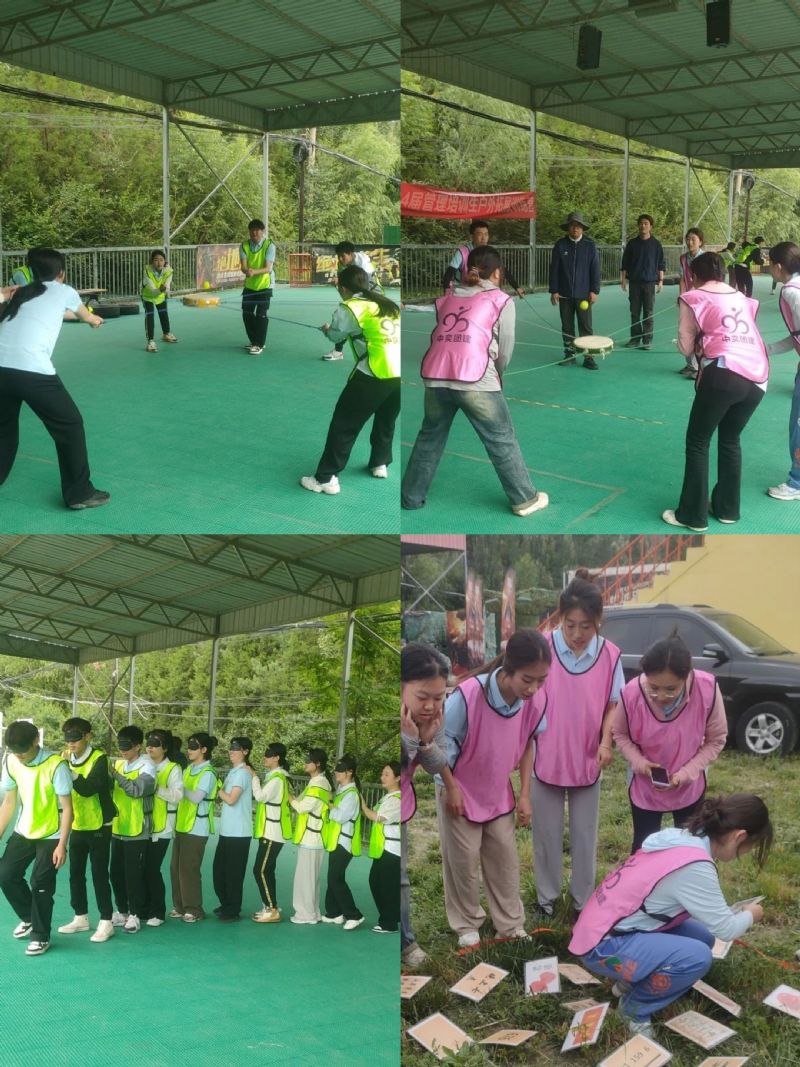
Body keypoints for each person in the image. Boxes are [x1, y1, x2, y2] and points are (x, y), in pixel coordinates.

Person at [569, 794, 771, 1039]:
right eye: (750, 848)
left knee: (703, 937)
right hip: (602, 947)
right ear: (739, 837)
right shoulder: (696, 866)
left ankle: (629, 982)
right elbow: (727, 930)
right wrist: (751, 914)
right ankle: (634, 1009)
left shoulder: (681, 838)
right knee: (697, 957)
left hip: (601, 928)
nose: (745, 854)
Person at [401, 245, 549, 517]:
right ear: (497, 273)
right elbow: (505, 349)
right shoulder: (501, 300)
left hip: (435, 376)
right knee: (501, 439)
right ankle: (524, 499)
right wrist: (497, 373)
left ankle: (411, 496)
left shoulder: (449, 297)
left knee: (429, 436)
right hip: (475, 378)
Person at [436, 630, 550, 947]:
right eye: (527, 679)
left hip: (498, 790)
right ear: (508, 668)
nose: (534, 688)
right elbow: (441, 748)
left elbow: (527, 743)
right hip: (458, 786)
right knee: (463, 860)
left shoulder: (534, 701)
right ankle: (466, 923)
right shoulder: (468, 696)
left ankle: (510, 925)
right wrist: (451, 790)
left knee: (504, 859)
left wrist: (525, 794)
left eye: (541, 680)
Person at [531, 571, 624, 919]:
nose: (577, 634)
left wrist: (606, 742)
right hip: (547, 756)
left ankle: (583, 901)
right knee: (546, 836)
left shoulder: (610, 655)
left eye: (585, 626)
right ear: (560, 619)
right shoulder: (543, 647)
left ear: (598, 621)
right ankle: (546, 900)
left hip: (587, 759)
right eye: (570, 625)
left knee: (585, 836)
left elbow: (613, 705)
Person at [663, 251, 768, 531]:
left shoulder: (694, 297)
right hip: (758, 377)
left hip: (724, 373)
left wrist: (693, 341)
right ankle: (727, 509)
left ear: (695, 276)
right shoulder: (740, 296)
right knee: (731, 440)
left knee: (698, 441)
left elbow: (686, 347)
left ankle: (692, 515)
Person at [0, 246, 109, 509]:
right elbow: (83, 314)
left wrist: (84, 318)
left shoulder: (23, 293)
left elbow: (61, 312)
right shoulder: (65, 291)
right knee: (70, 425)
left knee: (3, 430)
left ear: (32, 271)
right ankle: (79, 493)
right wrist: (93, 320)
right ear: (61, 273)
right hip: (31, 369)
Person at [613, 632, 728, 853]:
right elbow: (620, 734)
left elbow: (716, 740)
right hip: (645, 786)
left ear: (687, 676)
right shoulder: (632, 693)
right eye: (653, 687)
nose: (661, 696)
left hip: (689, 785)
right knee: (644, 847)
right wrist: (641, 764)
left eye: (671, 689)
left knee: (689, 848)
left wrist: (686, 773)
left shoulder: (707, 689)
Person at [300, 264, 400, 495]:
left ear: (343, 288)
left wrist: (328, 330)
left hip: (375, 371)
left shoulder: (351, 307)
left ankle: (326, 478)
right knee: (386, 419)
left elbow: (336, 335)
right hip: (398, 372)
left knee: (344, 424)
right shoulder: (387, 304)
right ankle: (380, 463)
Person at [0, 720, 73, 957]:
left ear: (36, 741)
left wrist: (62, 844)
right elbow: (9, 802)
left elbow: (67, 808)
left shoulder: (56, 765)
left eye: (23, 750)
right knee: (5, 875)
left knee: (41, 884)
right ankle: (29, 918)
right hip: (24, 830)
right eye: (15, 751)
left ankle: (41, 936)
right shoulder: (11, 761)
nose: (20, 756)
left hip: (51, 834)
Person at [400, 642, 450, 967]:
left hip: (401, 809)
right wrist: (409, 739)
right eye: (422, 697)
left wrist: (426, 741)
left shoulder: (432, 718)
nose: (431, 706)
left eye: (439, 697)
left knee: (400, 877)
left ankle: (406, 943)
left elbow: (438, 765)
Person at [57, 717, 116, 944]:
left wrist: (69, 772)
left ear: (88, 736)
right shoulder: (64, 758)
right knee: (75, 873)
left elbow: (89, 788)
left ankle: (106, 921)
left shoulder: (100, 758)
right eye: (67, 738)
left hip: (100, 825)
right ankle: (80, 917)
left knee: (99, 874)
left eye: (76, 738)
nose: (71, 743)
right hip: (77, 824)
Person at [109, 725, 156, 934]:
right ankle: (122, 911)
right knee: (116, 874)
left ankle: (136, 914)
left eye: (127, 745)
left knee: (133, 875)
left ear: (138, 746)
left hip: (138, 829)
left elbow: (136, 790)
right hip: (119, 826)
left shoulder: (148, 766)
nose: (122, 749)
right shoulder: (119, 764)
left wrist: (115, 775)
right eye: (120, 745)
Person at [170, 732, 219, 923]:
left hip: (197, 828)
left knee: (189, 869)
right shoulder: (189, 769)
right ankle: (180, 906)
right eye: (188, 746)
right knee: (175, 868)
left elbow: (197, 797)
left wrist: (180, 788)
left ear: (204, 750)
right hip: (182, 825)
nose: (189, 750)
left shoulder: (208, 773)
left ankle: (194, 909)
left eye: (193, 747)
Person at [765, 241, 800, 502]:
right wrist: (768, 349)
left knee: (798, 425)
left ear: (778, 266)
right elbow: (796, 334)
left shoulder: (791, 292)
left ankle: (797, 482)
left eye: (769, 264)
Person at [548, 211, 601, 369]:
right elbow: (554, 269)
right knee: (567, 326)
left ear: (582, 228)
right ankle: (569, 355)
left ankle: (588, 357)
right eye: (572, 225)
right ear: (568, 228)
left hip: (584, 295)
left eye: (578, 226)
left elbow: (595, 270)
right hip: (564, 294)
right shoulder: (560, 245)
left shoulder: (590, 246)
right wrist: (554, 290)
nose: (575, 229)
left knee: (586, 326)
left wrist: (594, 290)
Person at [250, 741, 293, 923]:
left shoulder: (276, 779)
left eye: (268, 755)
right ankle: (270, 906)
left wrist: (254, 778)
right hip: (270, 830)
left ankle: (272, 909)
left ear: (277, 758)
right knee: (266, 870)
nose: (265, 757)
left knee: (260, 870)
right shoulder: (275, 777)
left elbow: (260, 796)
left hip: (273, 832)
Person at [143, 729, 182, 928]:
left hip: (162, 828)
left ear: (165, 748)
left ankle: (157, 912)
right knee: (141, 869)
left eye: (155, 744)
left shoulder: (173, 768)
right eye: (148, 743)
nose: (150, 747)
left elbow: (177, 796)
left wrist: (156, 787)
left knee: (152, 869)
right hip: (141, 827)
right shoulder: (143, 764)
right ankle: (143, 909)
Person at [213, 736, 254, 922]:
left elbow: (231, 799)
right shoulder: (233, 772)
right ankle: (226, 904)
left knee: (233, 874)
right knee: (219, 871)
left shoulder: (243, 774)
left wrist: (217, 788)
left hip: (239, 833)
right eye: (231, 748)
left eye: (236, 748)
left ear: (245, 752)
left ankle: (233, 909)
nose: (231, 751)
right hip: (227, 831)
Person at [321, 754, 364, 931]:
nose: (336, 773)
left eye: (340, 770)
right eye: (336, 769)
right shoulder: (342, 790)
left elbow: (339, 816)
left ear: (350, 772)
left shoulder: (351, 794)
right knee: (333, 877)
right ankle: (334, 913)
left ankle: (354, 915)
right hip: (336, 841)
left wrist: (331, 805)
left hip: (344, 842)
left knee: (335, 878)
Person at [289, 748, 331, 925]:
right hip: (313, 837)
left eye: (309, 760)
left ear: (318, 764)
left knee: (306, 879)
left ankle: (306, 915)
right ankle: (312, 912)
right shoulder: (319, 783)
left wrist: (288, 796)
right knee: (311, 879)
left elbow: (301, 807)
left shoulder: (318, 785)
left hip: (311, 837)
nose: (305, 763)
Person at [322, 242, 381, 361]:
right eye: (338, 256)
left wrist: (328, 331)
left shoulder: (364, 266)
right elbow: (345, 289)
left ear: (350, 254)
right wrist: (338, 284)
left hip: (373, 294)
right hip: (357, 294)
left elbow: (363, 287)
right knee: (349, 320)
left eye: (343, 256)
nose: (340, 259)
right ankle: (338, 351)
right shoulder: (342, 264)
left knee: (353, 321)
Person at [361, 761, 401, 934]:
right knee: (377, 882)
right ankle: (392, 916)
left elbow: (377, 817)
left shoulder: (398, 799)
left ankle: (389, 922)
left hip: (392, 849)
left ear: (398, 778)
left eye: (387, 774)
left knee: (386, 886)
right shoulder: (389, 798)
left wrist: (363, 805)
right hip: (384, 847)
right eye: (382, 774)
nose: (382, 777)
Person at [443, 219, 525, 298]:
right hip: (464, 292)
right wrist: (446, 293)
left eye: (486, 234)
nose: (483, 238)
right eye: (480, 234)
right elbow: (449, 273)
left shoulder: (489, 252)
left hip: (483, 292)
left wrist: (517, 287)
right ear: (472, 236)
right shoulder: (462, 252)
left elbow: (502, 269)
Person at [620, 214, 665, 351]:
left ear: (651, 226)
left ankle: (647, 340)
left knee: (648, 313)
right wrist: (623, 279)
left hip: (649, 284)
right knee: (634, 312)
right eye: (641, 223)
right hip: (634, 283)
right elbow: (625, 263)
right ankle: (635, 339)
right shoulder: (632, 244)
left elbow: (661, 263)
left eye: (646, 223)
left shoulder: (656, 245)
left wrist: (661, 280)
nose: (643, 226)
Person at [239, 219, 275, 356]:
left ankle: (259, 344)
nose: (254, 232)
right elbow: (243, 266)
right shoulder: (244, 245)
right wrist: (246, 270)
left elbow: (268, 268)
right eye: (252, 230)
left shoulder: (269, 245)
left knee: (261, 315)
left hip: (265, 285)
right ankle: (254, 340)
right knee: (246, 314)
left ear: (262, 231)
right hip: (250, 286)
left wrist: (253, 271)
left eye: (257, 230)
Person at [141, 249, 177, 352]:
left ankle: (166, 334)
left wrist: (165, 289)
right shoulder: (147, 271)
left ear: (165, 261)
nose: (159, 262)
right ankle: (150, 342)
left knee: (163, 314)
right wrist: (162, 290)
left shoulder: (168, 271)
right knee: (150, 316)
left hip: (160, 296)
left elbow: (167, 286)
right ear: (152, 262)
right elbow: (153, 291)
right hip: (148, 296)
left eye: (161, 260)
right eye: (156, 260)